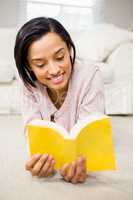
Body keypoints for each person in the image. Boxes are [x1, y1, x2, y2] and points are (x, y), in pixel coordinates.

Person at [14, 17, 105, 184]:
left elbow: (91, 138)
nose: (54, 70)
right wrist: (38, 159)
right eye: (40, 65)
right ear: (29, 67)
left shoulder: (90, 76)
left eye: (60, 57)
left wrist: (82, 164)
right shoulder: (27, 83)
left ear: (69, 49)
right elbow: (32, 133)